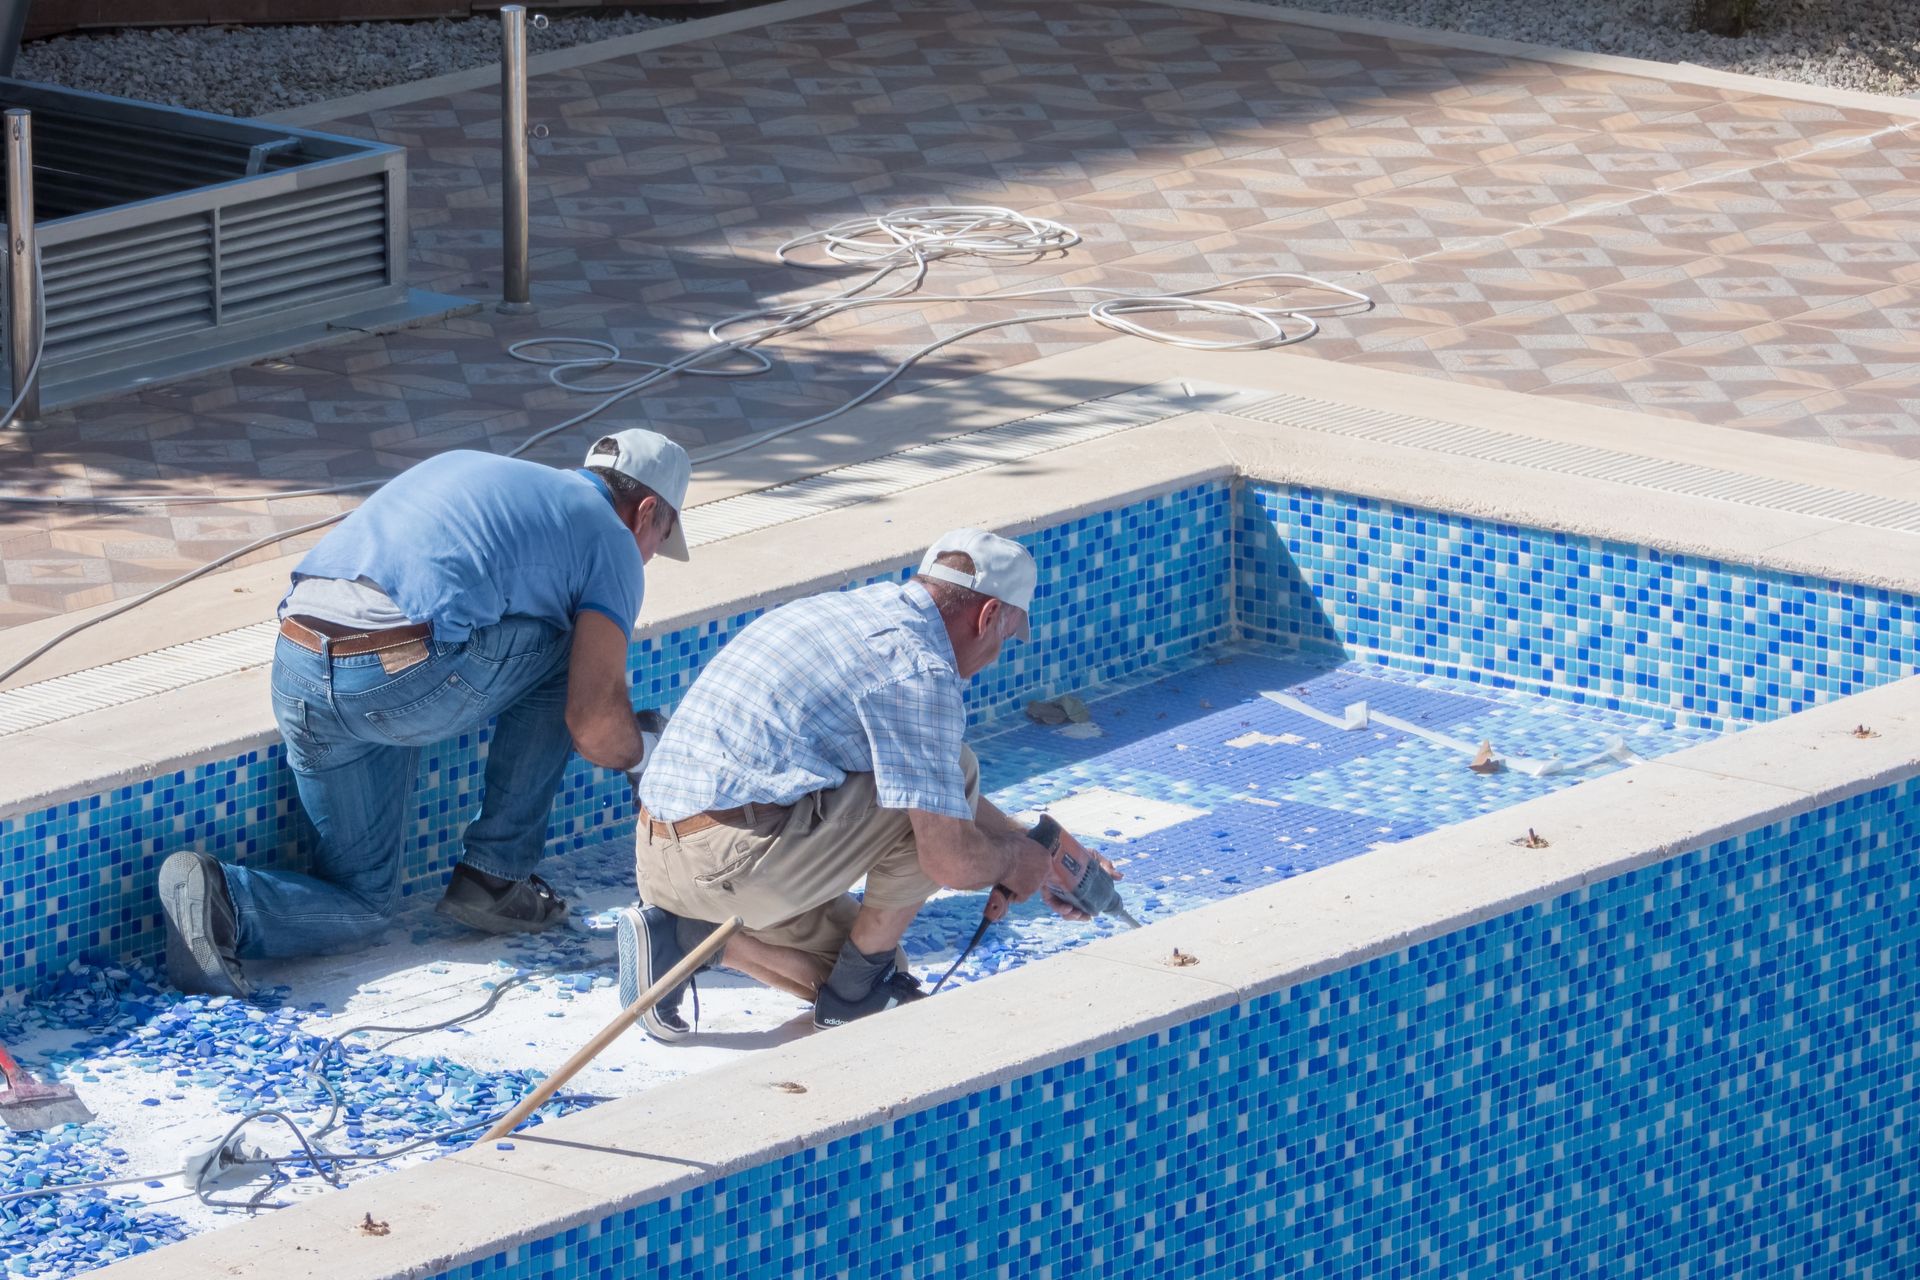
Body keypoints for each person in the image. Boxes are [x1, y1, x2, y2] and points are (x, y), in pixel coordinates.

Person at [157, 429, 691, 997]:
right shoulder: (610, 537)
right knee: (573, 655)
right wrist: (646, 758)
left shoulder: (486, 470)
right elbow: (592, 723)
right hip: (398, 676)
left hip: (298, 664)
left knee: (364, 905)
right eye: (660, 540)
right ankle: (495, 877)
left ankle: (221, 896)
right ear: (646, 512)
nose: (651, 557)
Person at [623, 527, 1116, 1037]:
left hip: (661, 857)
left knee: (889, 982)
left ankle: (685, 935)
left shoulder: (844, 612)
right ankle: (853, 990)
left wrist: (1044, 851)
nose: (994, 657)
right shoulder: (917, 674)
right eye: (1005, 639)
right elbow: (949, 859)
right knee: (951, 778)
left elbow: (926, 780)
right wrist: (1016, 861)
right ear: (988, 616)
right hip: (733, 863)